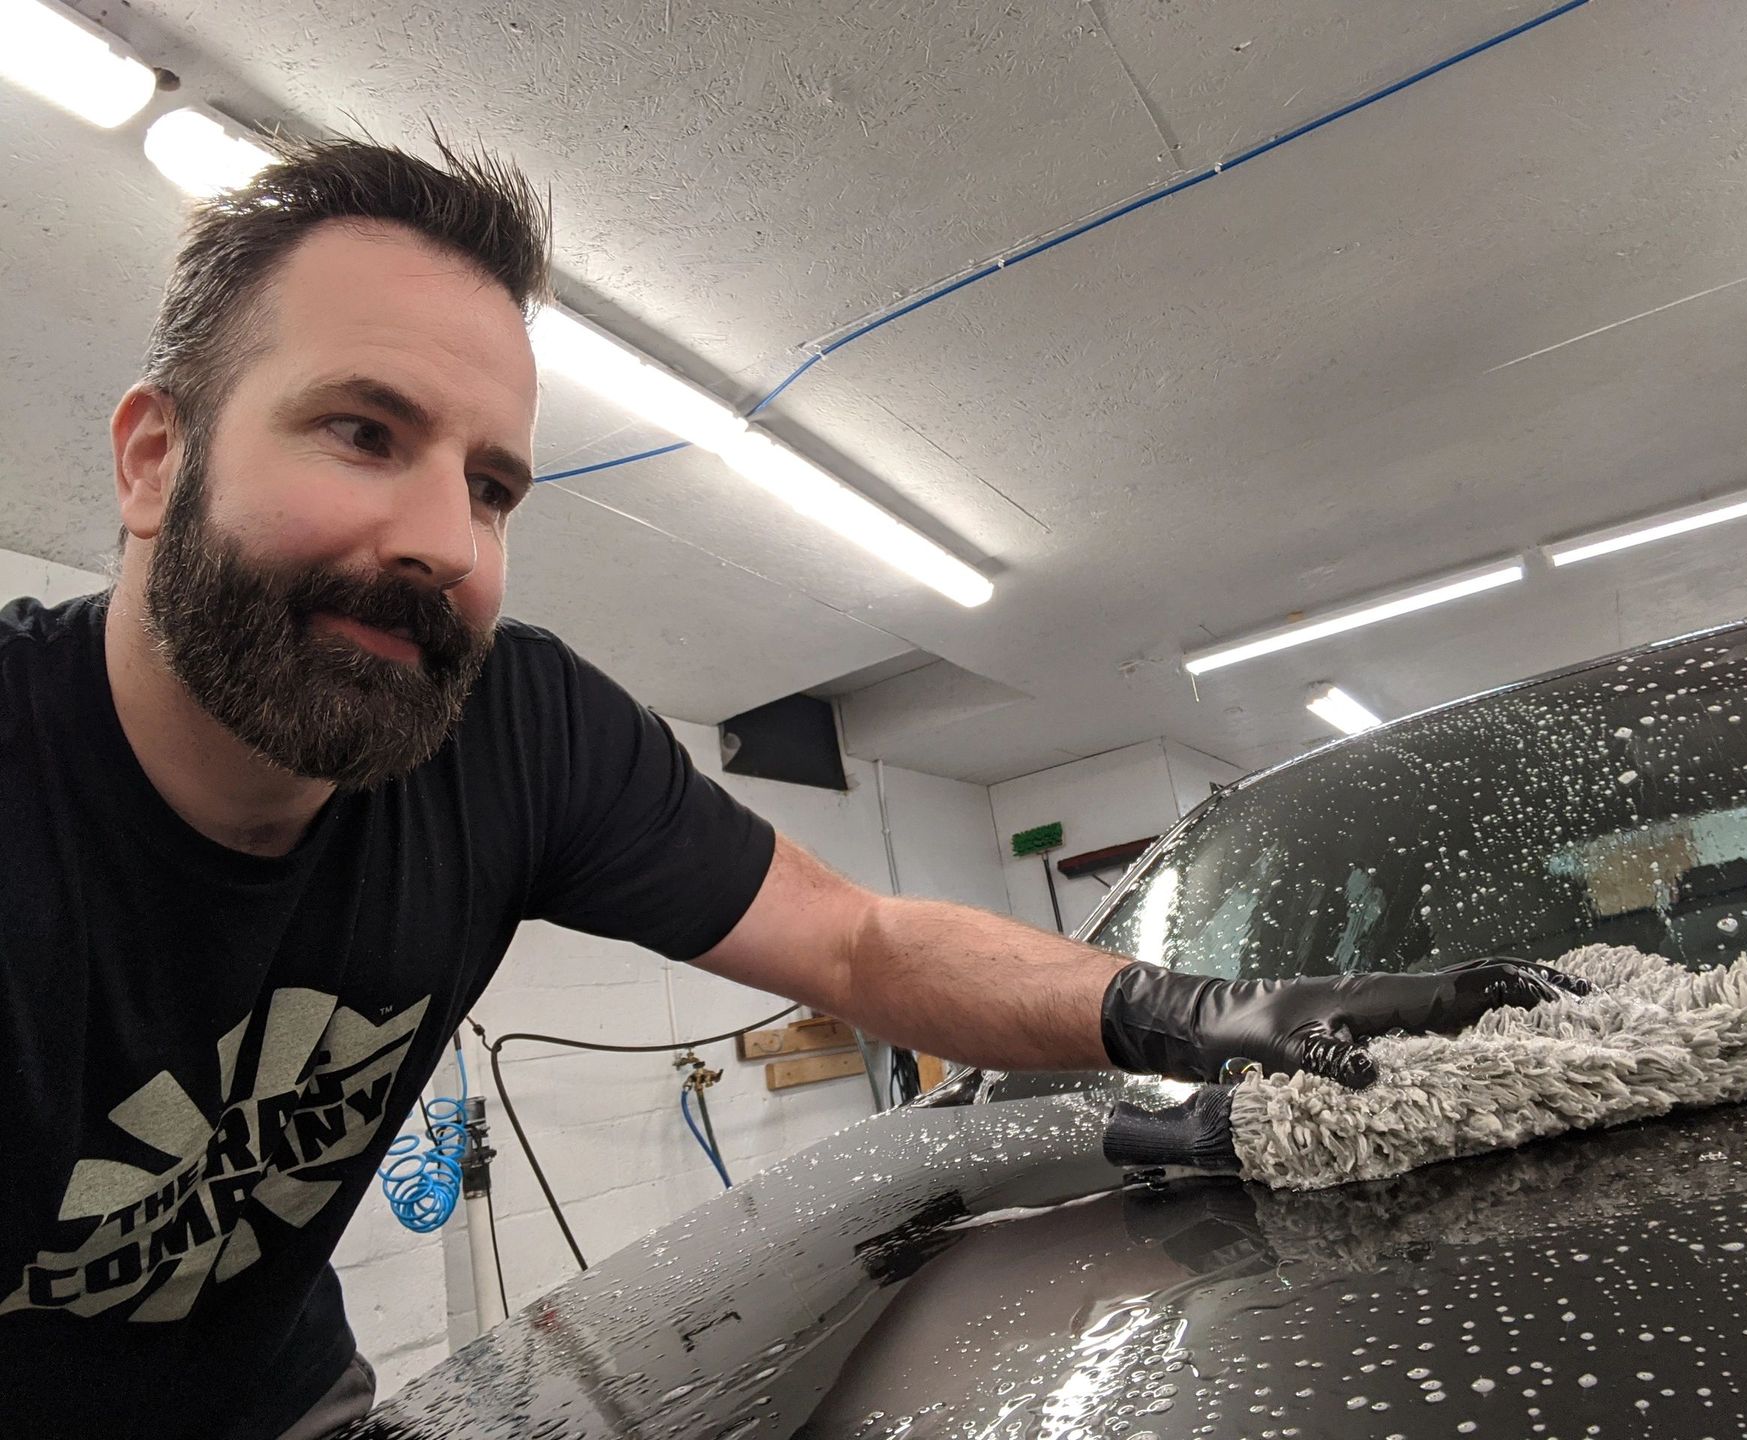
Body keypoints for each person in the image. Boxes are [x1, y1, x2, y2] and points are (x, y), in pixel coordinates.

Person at [0, 134, 1580, 1439]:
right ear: (153, 461)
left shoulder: (514, 726)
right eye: (362, 430)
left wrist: (1208, 1018)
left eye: (493, 486)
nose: (443, 541)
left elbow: (860, 949)